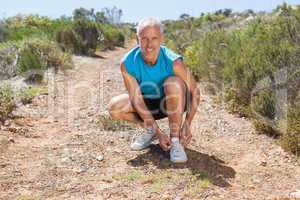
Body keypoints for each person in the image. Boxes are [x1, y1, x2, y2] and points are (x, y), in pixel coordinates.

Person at [108, 17, 200, 163]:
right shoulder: (127, 63)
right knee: (115, 107)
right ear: (137, 39)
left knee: (174, 83)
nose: (149, 44)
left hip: (175, 101)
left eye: (154, 38)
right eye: (144, 38)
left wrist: (187, 123)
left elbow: (195, 91)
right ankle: (150, 131)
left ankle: (175, 141)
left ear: (161, 39)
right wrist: (158, 132)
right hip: (149, 104)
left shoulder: (174, 62)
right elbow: (136, 99)